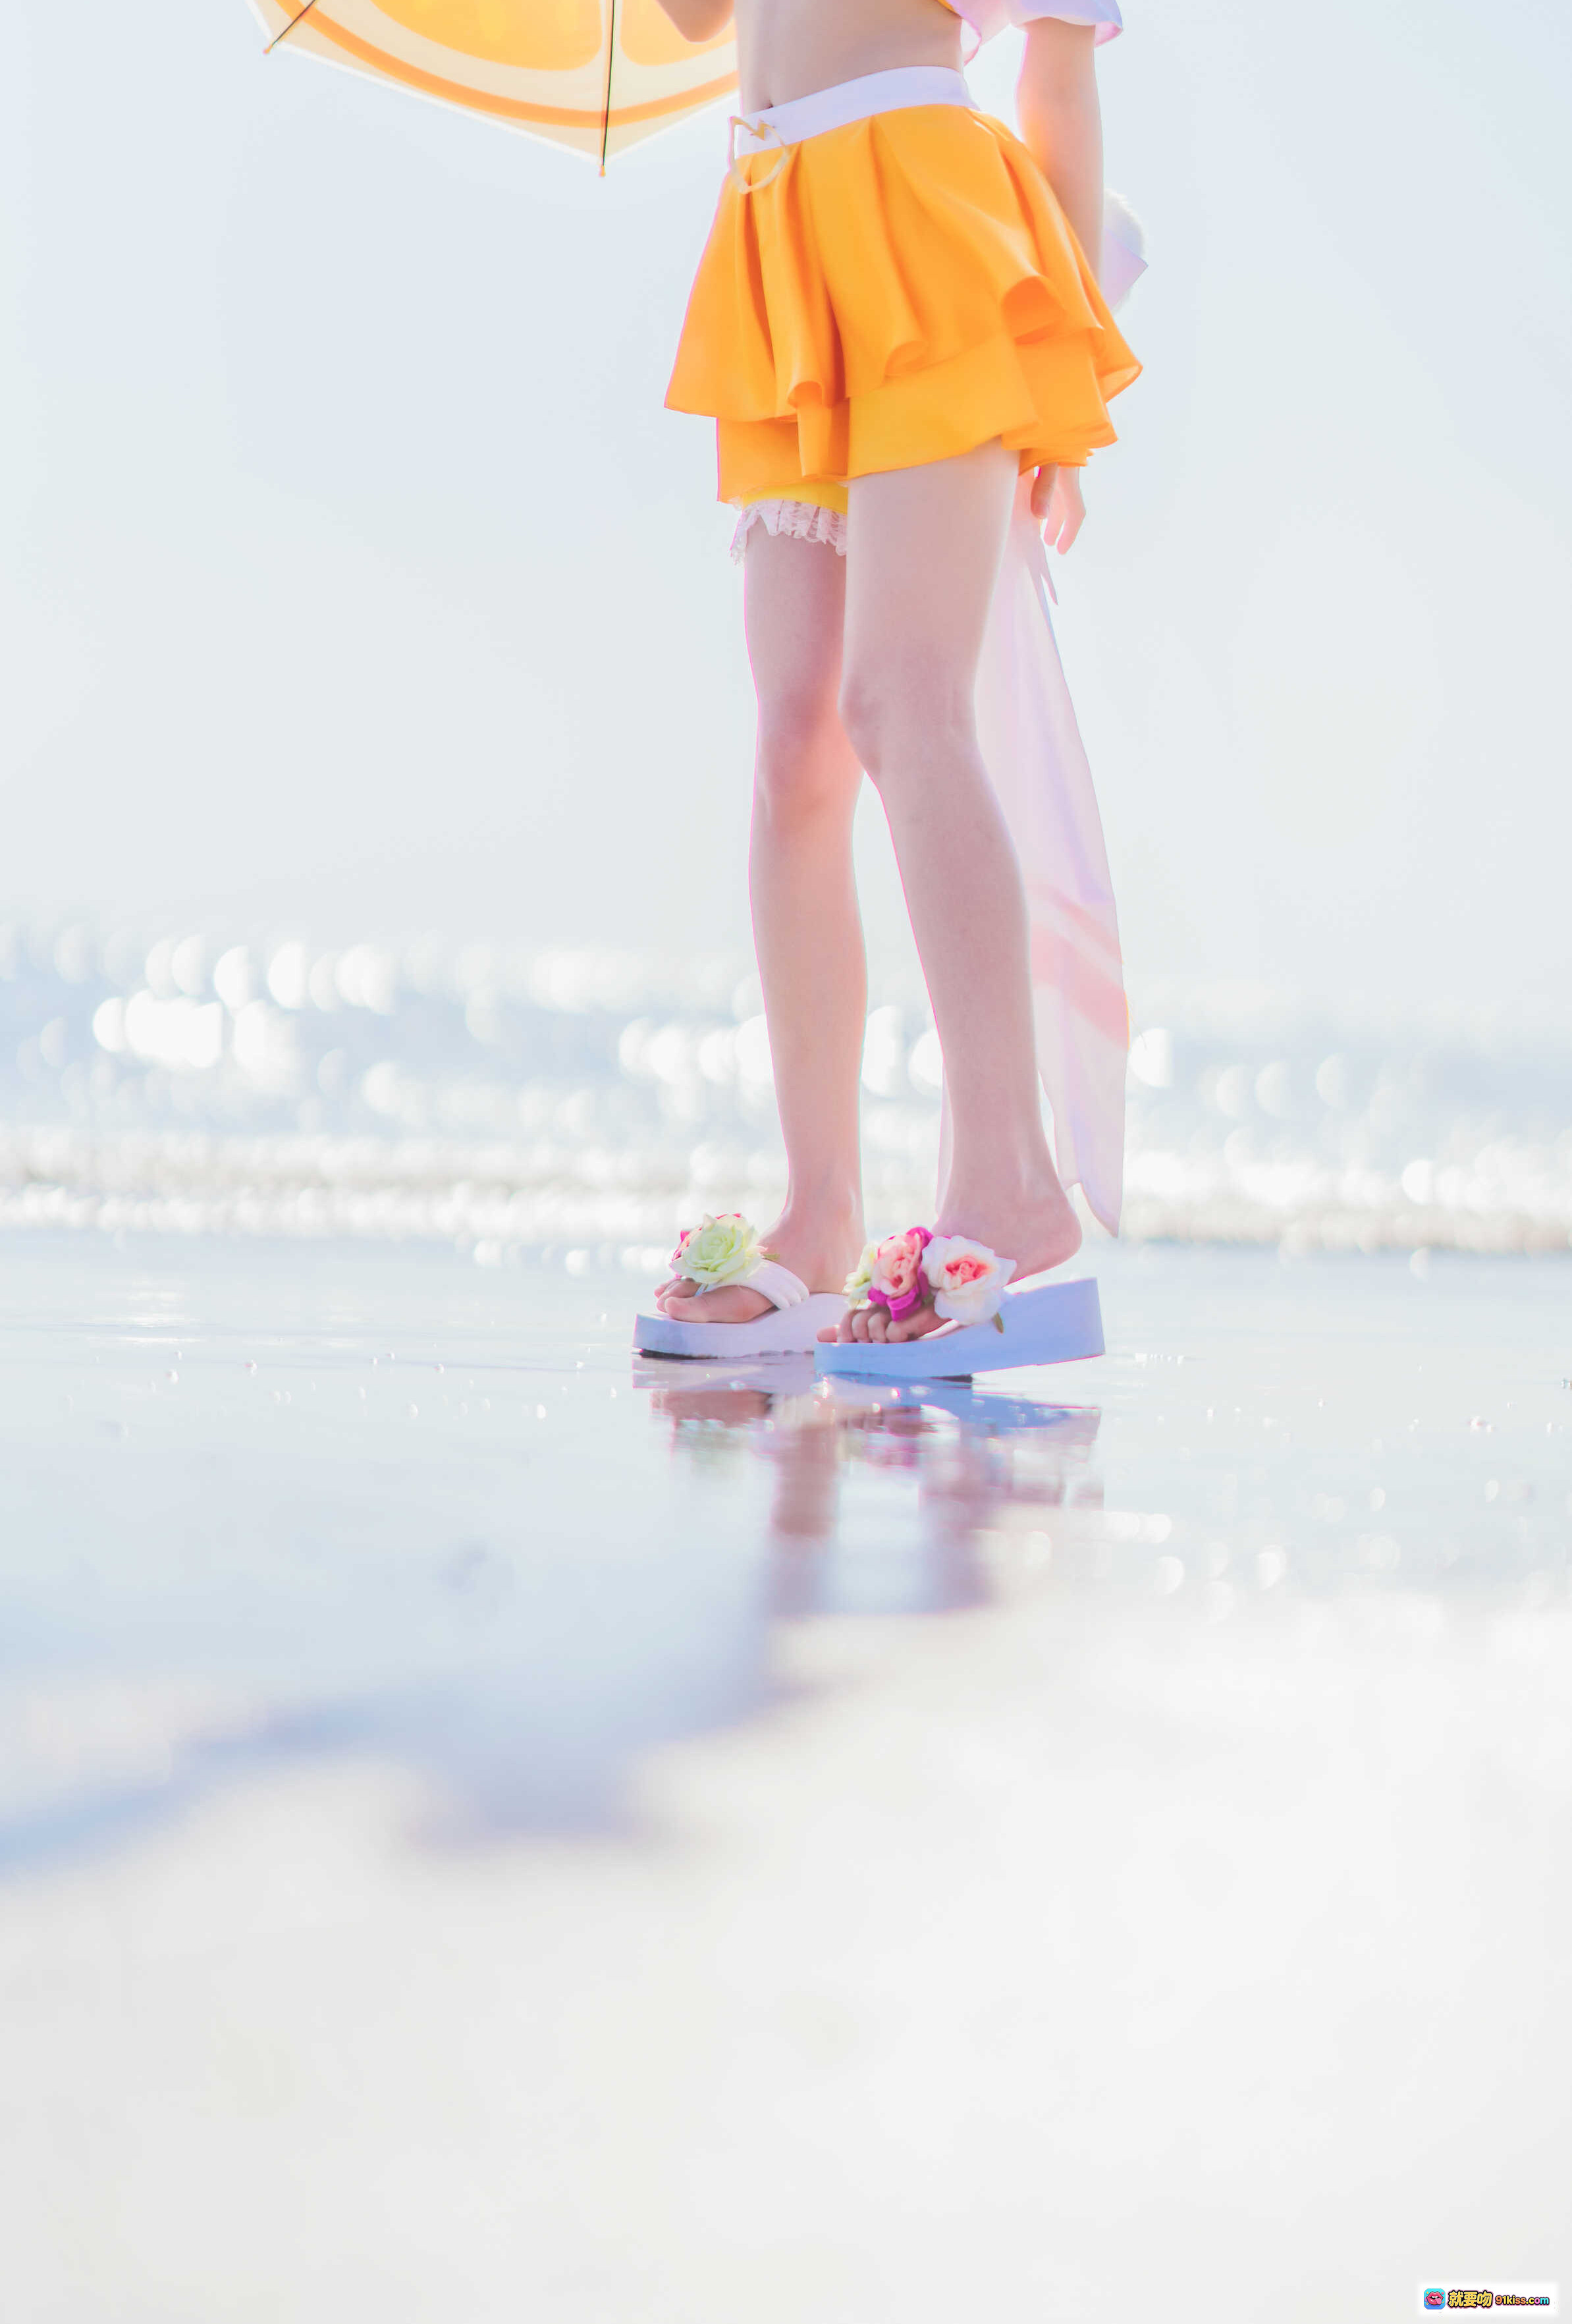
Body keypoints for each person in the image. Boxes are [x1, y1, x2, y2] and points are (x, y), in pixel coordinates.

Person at [644, 0, 1138, 1354]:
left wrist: (1064, 387)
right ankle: (821, 1212)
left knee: (903, 699)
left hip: (927, 215)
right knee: (795, 742)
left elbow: (1057, 71)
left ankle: (1010, 1181)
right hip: (776, 216)